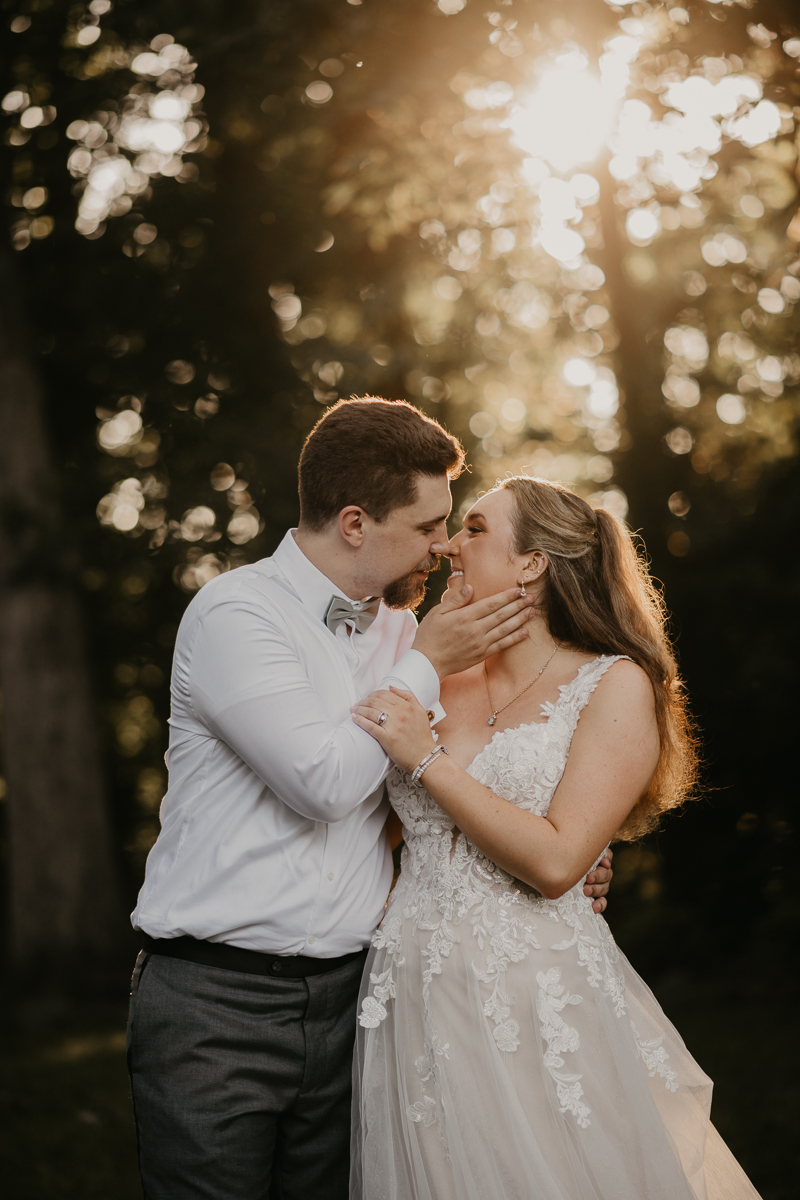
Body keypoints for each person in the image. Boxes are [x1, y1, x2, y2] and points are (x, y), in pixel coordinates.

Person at [126, 399, 612, 1200]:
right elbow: (323, 784)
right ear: (355, 522)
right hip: (217, 1003)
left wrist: (582, 842)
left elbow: (464, 773)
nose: (445, 544)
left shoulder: (402, 635)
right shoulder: (236, 615)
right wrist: (423, 661)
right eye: (427, 526)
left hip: (361, 1000)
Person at [350, 475, 762, 1200]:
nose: (448, 544)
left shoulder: (614, 684)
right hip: (408, 989)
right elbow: (367, 825)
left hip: (535, 994)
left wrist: (428, 759)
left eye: (474, 529)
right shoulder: (428, 672)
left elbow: (555, 860)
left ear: (533, 564)